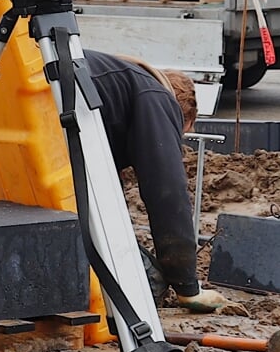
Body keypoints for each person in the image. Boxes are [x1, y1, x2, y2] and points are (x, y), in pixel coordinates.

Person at [81, 49, 226, 313]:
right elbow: (167, 193)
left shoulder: (116, 89)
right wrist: (186, 286)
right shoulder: (156, 97)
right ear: (181, 117)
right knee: (147, 282)